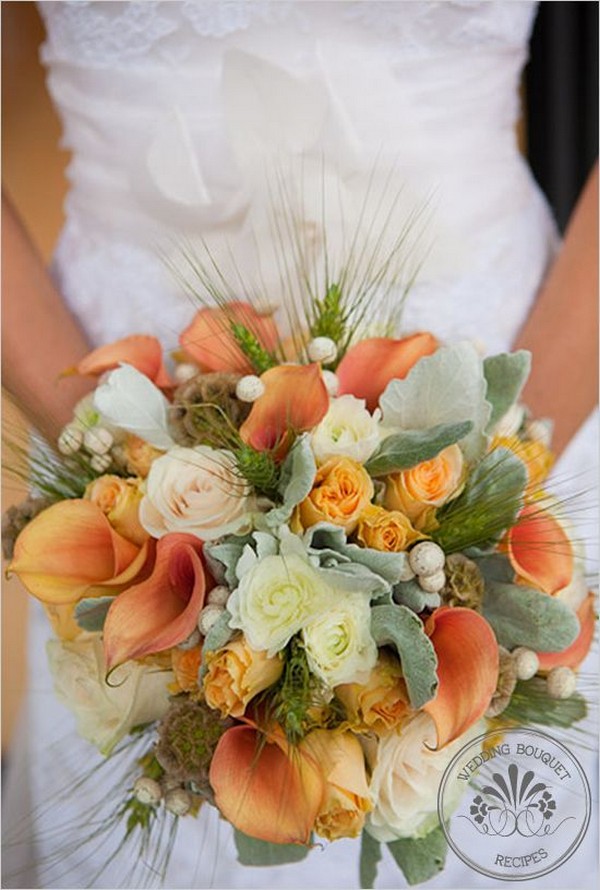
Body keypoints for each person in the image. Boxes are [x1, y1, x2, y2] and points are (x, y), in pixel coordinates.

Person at [2, 2, 598, 888]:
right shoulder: (122, 476)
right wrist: (119, 472)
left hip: (525, 400)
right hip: (119, 442)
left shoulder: (505, 469)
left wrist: (500, 473)